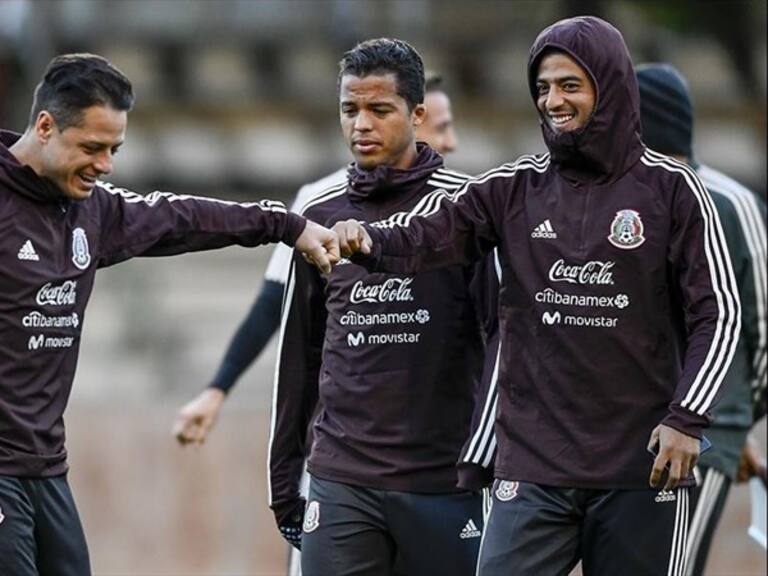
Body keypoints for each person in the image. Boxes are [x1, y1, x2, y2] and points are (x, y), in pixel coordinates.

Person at [332, 16, 741, 575]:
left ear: (611, 85)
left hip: (638, 467)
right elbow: (428, 234)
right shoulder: (513, 187)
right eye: (543, 87)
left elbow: (718, 312)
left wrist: (688, 416)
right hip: (532, 465)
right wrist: (365, 240)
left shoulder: (672, 189)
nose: (553, 100)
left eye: (570, 85)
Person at [0, 53, 337, 576]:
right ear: (45, 126)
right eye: (91, 147)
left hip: (44, 468)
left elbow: (179, 218)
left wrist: (284, 225)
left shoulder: (92, 208)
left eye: (114, 149)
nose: (105, 164)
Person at [268, 38, 496, 576]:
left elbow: (501, 345)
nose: (361, 124)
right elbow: (297, 357)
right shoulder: (319, 218)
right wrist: (283, 483)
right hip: (343, 481)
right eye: (350, 109)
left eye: (379, 109)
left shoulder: (467, 211)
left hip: (444, 481)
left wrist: (488, 465)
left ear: (417, 115)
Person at [172, 71, 459, 446]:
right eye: (442, 128)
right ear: (412, 120)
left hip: (441, 436)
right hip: (344, 437)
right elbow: (273, 303)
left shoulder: (464, 205)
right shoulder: (319, 201)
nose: (451, 142)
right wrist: (217, 388)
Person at [636, 62, 767, 576]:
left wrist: (732, 423)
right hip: (625, 433)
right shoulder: (615, 198)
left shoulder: (732, 203)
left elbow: (760, 329)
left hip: (705, 437)